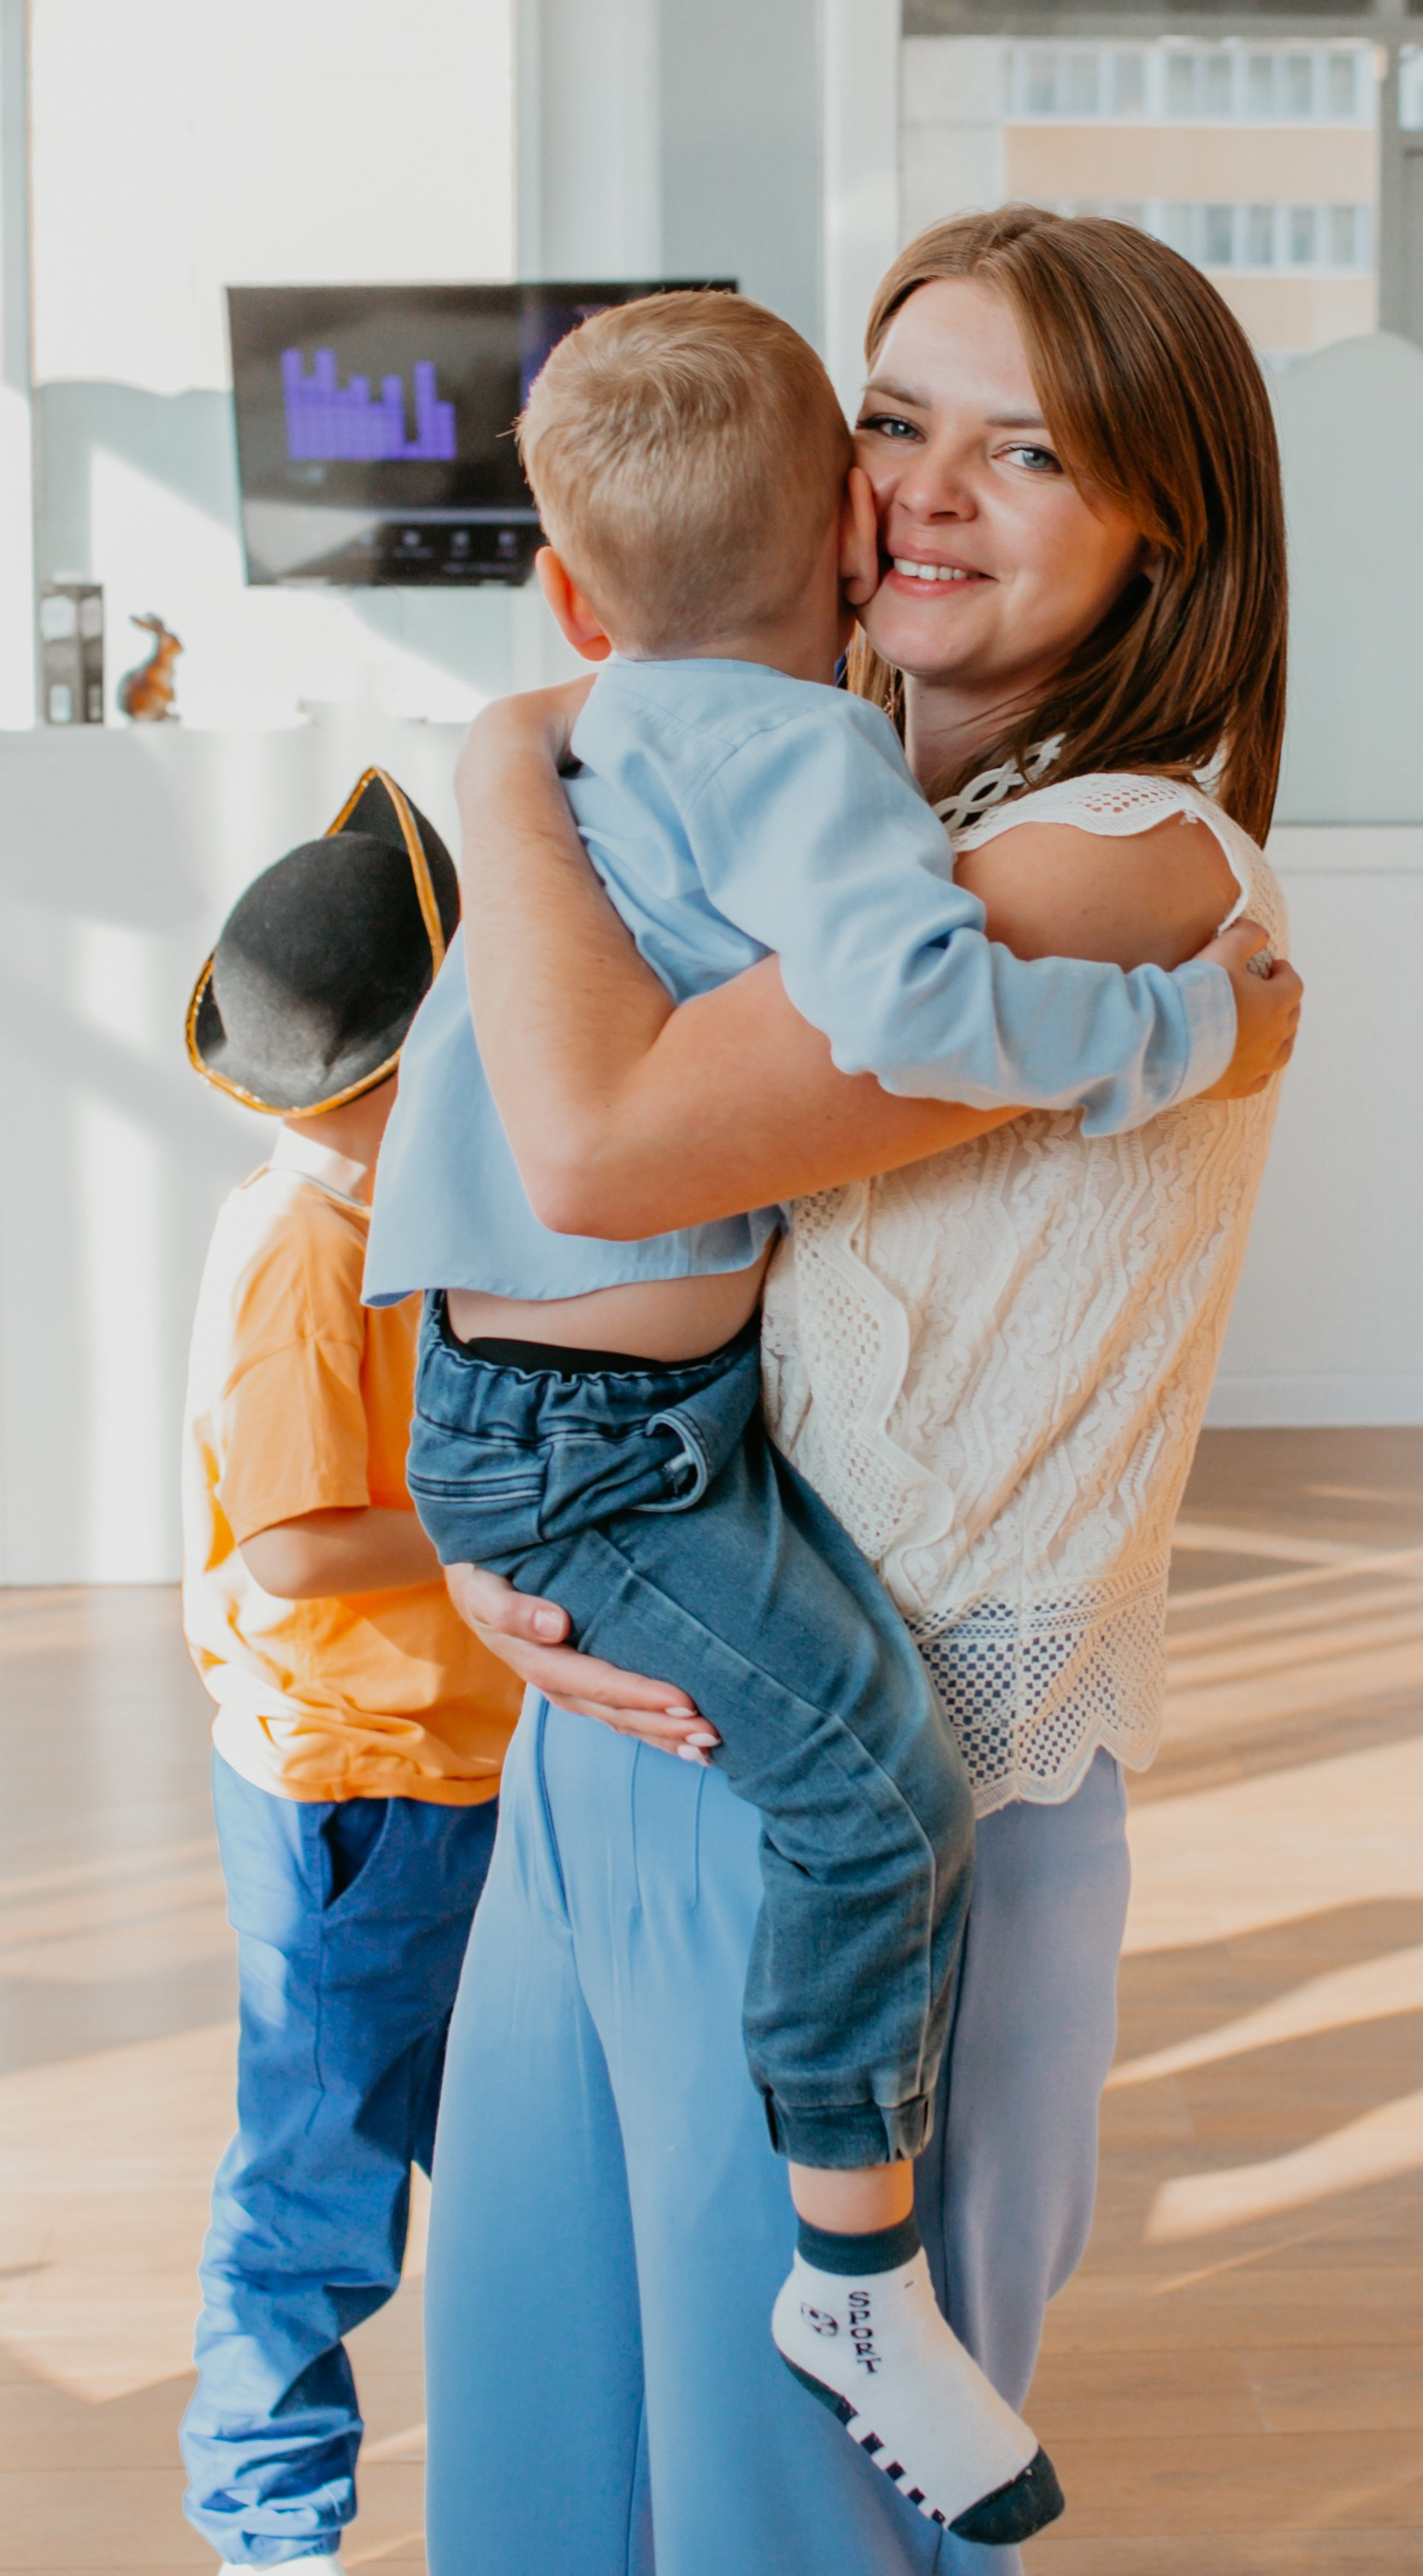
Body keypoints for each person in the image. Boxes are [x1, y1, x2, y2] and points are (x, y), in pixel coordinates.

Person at [365, 287, 1291, 2544]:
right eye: (893, 421)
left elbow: (594, 1146)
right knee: (540, 2449)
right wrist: (511, 1529)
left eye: (1032, 449)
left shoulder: (1102, 861)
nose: (924, 488)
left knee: (787, 2513)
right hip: (648, 1701)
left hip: (887, 1775)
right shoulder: (811, 808)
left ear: (1168, 531)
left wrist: (508, 766)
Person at [176, 773, 522, 2574]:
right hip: (355, 1795)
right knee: (315, 2187)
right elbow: (303, 1547)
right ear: (385, 1084)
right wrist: (495, 1527)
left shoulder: (380, 1219)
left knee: (501, 2149)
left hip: (448, 1771)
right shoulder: (304, 1257)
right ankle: (272, 2521)